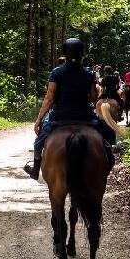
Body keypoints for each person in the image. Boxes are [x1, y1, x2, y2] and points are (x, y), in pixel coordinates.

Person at [24, 38, 116, 180]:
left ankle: (36, 169)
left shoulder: (56, 73)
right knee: (109, 133)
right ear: (82, 54)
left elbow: (49, 98)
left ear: (65, 53)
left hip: (59, 117)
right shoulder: (87, 74)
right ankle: (108, 162)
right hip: (85, 116)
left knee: (38, 143)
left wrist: (39, 119)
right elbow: (93, 98)